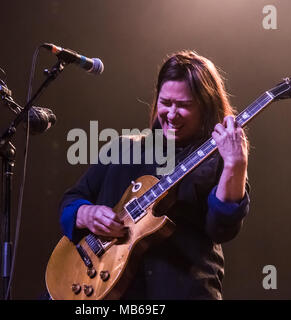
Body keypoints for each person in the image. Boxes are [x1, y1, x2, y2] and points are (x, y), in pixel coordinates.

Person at [58, 50, 250, 299]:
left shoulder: (219, 159)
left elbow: (222, 230)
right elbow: (71, 201)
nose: (171, 114)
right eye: (165, 102)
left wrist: (235, 164)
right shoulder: (123, 148)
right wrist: (85, 213)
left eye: (183, 105)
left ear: (205, 106)